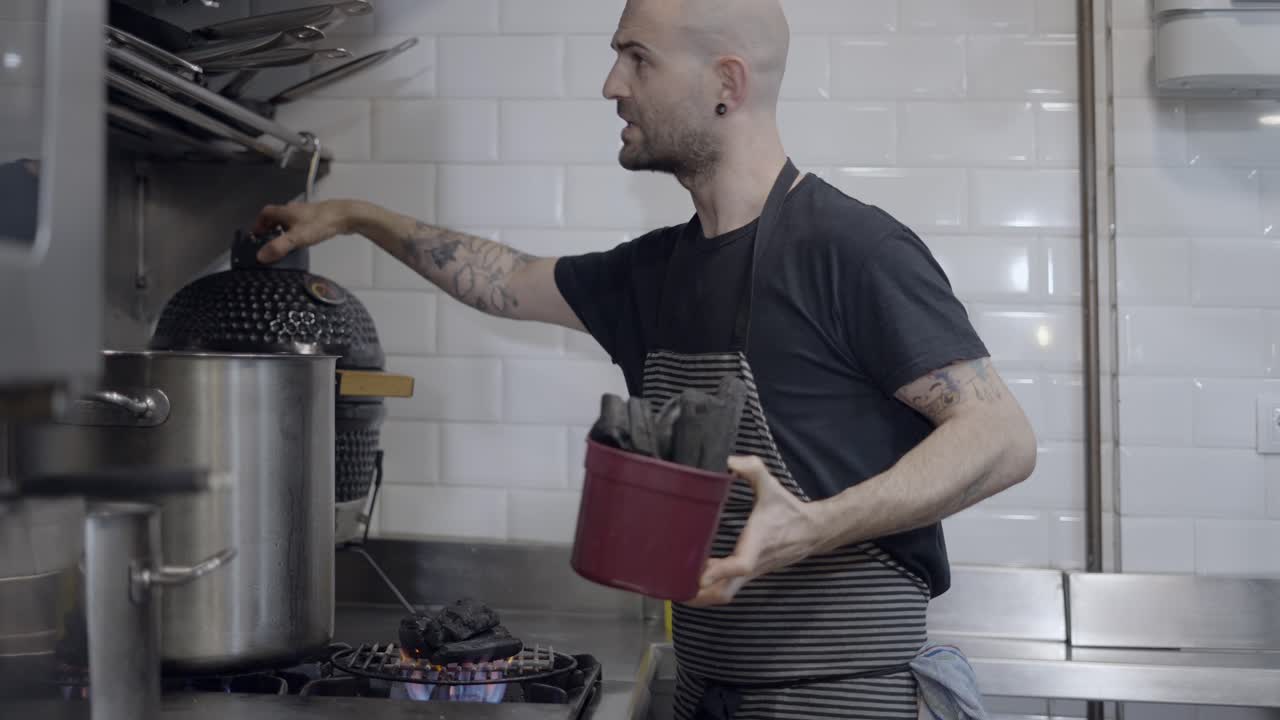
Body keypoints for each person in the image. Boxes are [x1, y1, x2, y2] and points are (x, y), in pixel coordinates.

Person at [253, 1, 1037, 716]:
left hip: (847, 701)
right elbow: (504, 283)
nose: (611, 86)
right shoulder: (654, 272)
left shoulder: (852, 249)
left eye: (637, 59)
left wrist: (814, 526)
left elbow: (1002, 438)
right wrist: (357, 216)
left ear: (726, 82)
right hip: (707, 696)